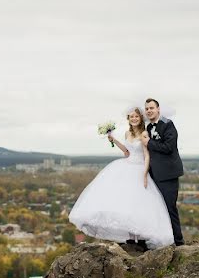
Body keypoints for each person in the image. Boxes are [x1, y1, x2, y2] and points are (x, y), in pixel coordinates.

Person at [69, 106, 175, 249]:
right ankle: (131, 237)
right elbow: (126, 152)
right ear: (128, 119)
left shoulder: (144, 133)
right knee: (125, 202)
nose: (134, 118)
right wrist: (114, 140)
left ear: (140, 118)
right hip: (127, 165)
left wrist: (145, 174)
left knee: (138, 204)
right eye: (131, 117)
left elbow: (147, 155)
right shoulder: (127, 134)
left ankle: (140, 237)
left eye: (136, 116)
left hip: (139, 169)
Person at [140, 98, 185, 246]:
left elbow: (168, 147)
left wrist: (150, 143)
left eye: (151, 108)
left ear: (158, 109)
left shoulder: (168, 124)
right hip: (153, 175)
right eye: (147, 109)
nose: (149, 111)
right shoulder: (147, 127)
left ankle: (179, 242)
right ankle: (160, 241)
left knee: (169, 208)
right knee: (155, 209)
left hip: (168, 174)